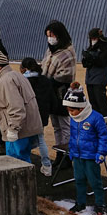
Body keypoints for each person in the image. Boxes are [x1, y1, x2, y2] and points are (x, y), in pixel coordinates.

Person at [63, 82, 107, 215]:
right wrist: (71, 151)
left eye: (72, 110)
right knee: (79, 180)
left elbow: (103, 136)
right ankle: (80, 202)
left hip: (91, 156)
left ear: (81, 108)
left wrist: (101, 152)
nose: (70, 113)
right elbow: (72, 137)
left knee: (95, 181)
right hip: (77, 155)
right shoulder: (74, 119)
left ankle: (100, 204)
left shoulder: (95, 117)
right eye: (68, 110)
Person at [0, 52, 42, 163]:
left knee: (16, 163)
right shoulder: (16, 75)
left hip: (18, 131)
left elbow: (16, 107)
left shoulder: (6, 81)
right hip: (27, 127)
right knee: (23, 160)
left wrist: (13, 129)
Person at [41, 20, 76, 169]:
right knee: (56, 125)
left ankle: (67, 156)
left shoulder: (68, 52)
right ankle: (59, 154)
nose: (50, 38)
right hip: (51, 92)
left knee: (64, 124)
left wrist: (48, 80)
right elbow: (44, 66)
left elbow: (66, 75)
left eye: (52, 35)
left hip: (62, 92)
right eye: (48, 35)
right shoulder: (50, 50)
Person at [20, 57, 60, 176]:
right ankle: (47, 166)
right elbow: (52, 98)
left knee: (23, 140)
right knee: (41, 140)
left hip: (27, 115)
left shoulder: (22, 81)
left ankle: (25, 165)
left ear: (24, 68)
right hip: (42, 115)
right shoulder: (45, 80)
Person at [82, 28, 107, 128]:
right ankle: (97, 120)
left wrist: (92, 58)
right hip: (90, 77)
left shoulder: (105, 47)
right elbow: (86, 64)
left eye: (94, 38)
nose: (93, 40)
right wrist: (86, 59)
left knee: (100, 99)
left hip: (100, 77)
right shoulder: (90, 48)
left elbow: (102, 61)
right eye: (91, 38)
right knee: (93, 100)